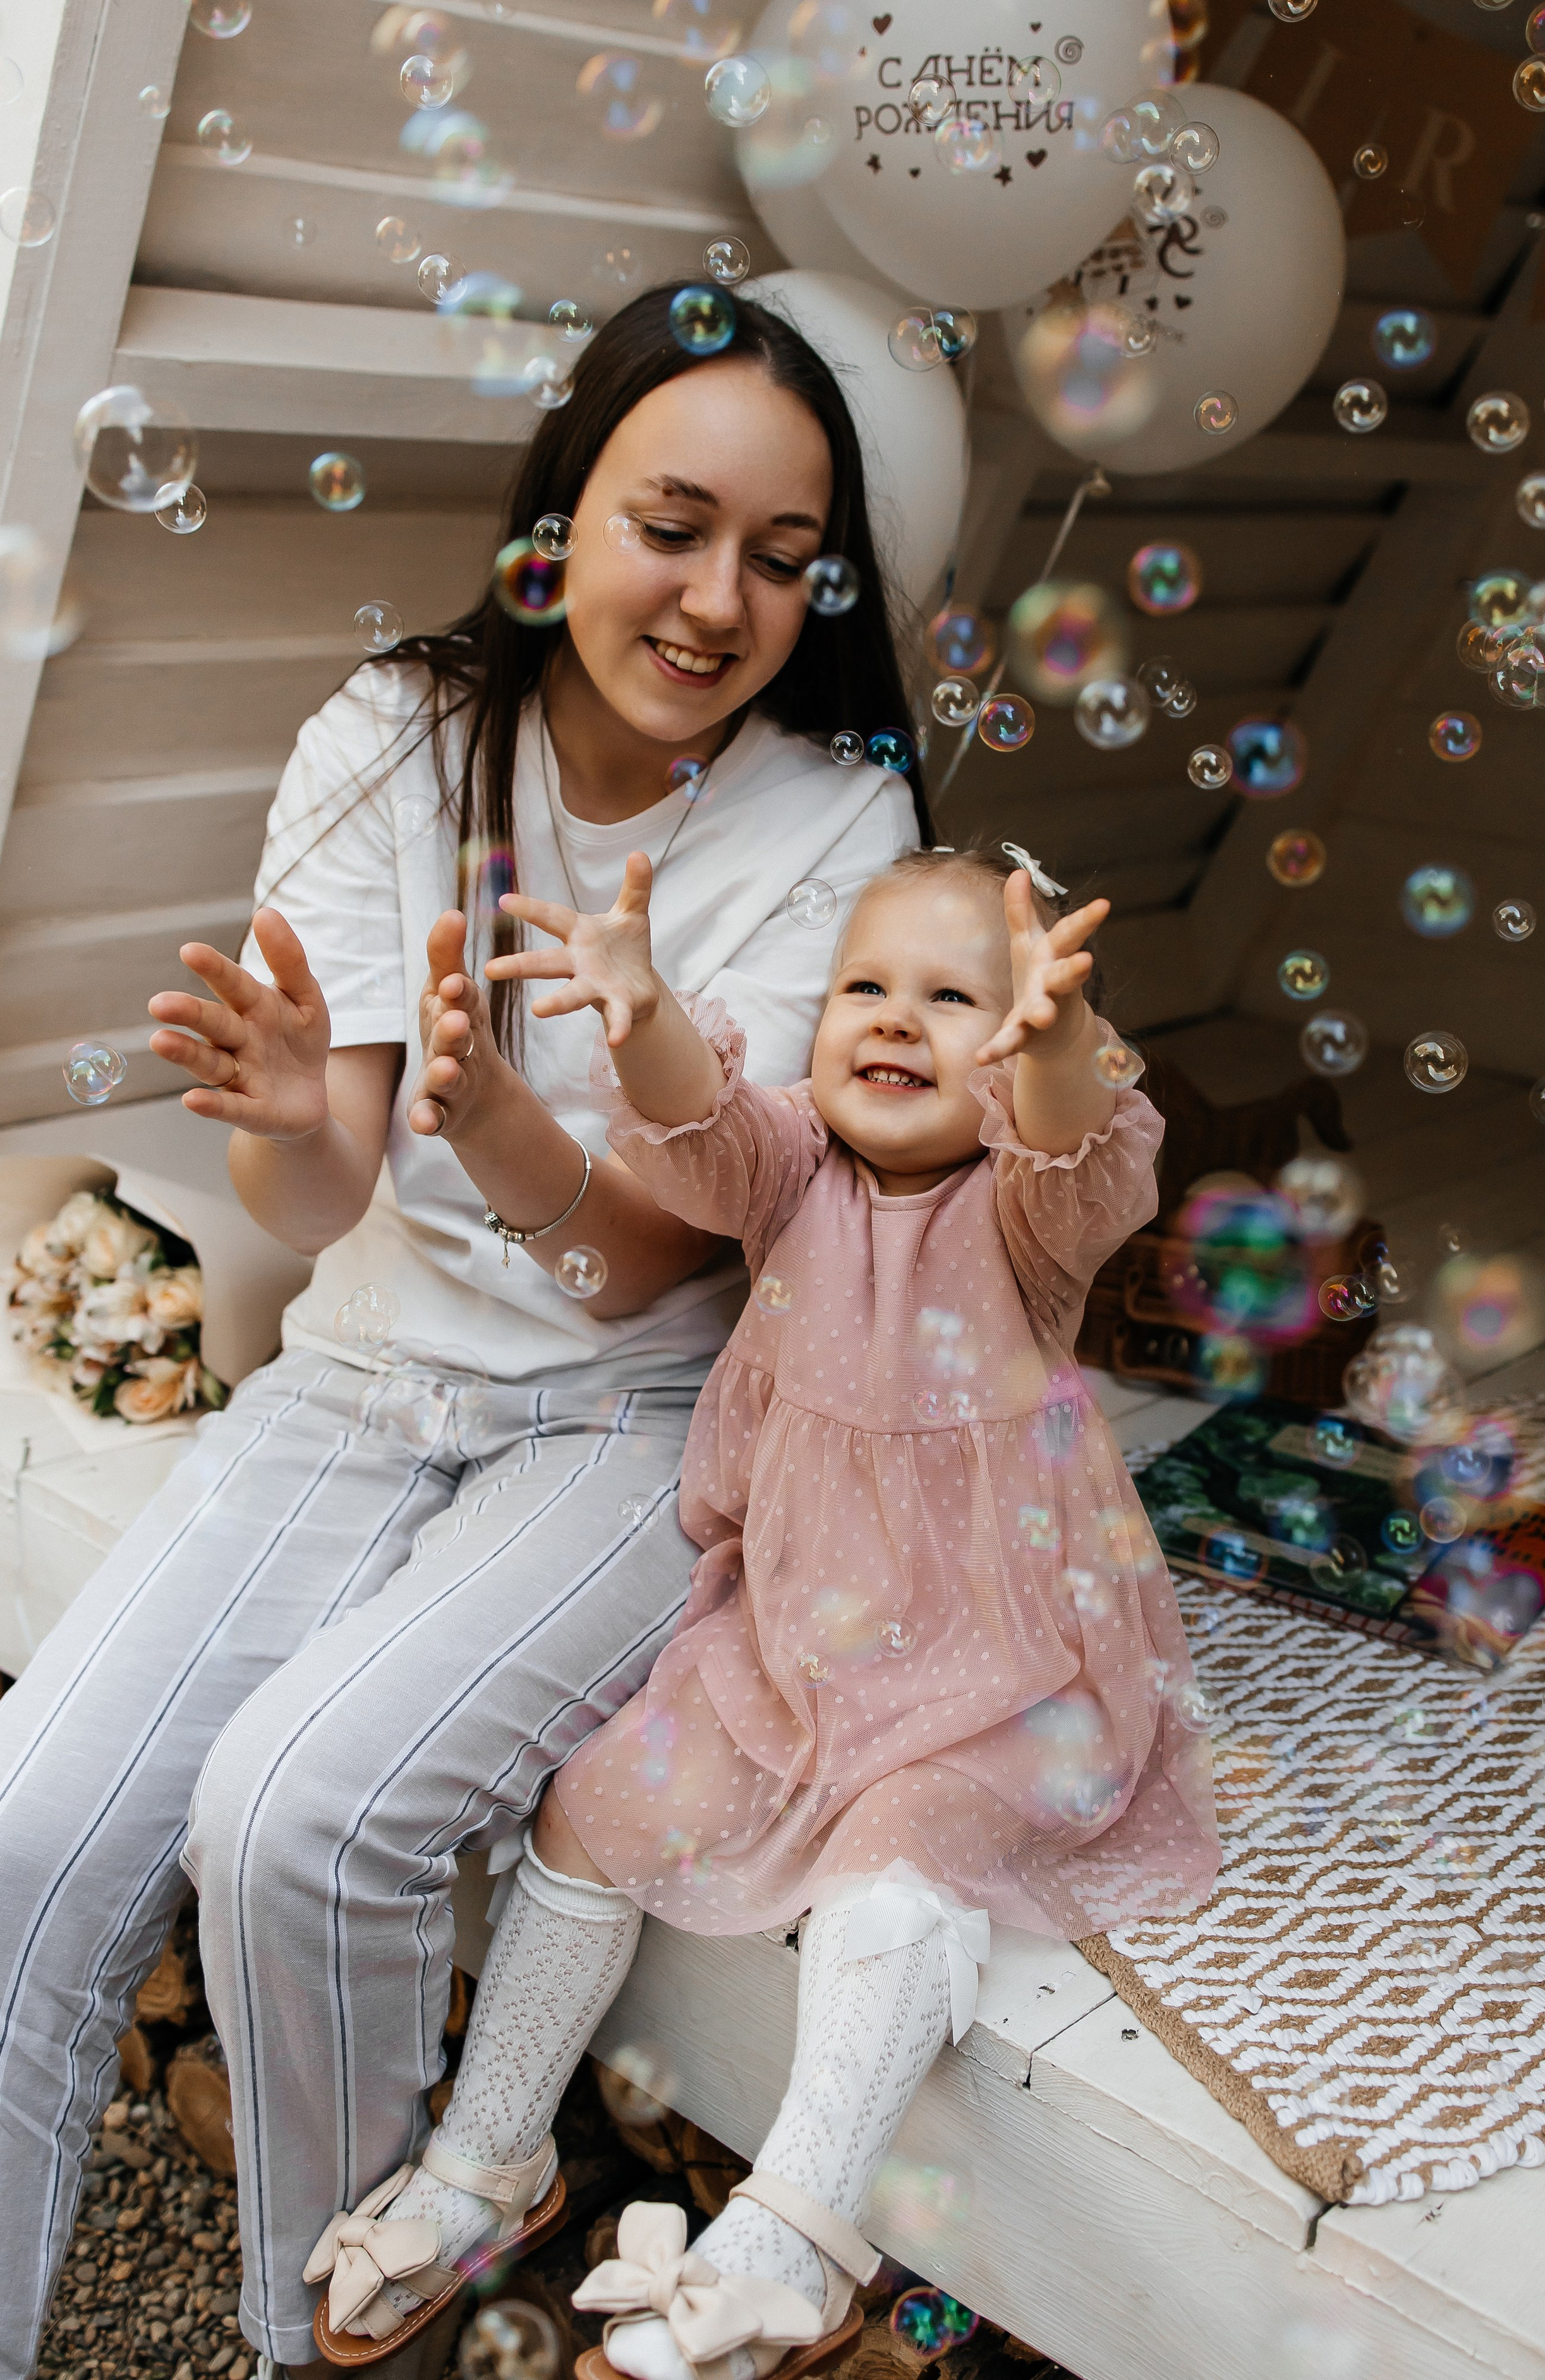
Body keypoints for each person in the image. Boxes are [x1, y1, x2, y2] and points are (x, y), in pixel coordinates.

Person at [0, 284, 927, 2380]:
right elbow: (324, 1191)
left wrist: (508, 1132)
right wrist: (276, 1114)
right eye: (669, 525)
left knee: (304, 1810)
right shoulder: (391, 739)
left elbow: (670, 1270)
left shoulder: (836, 831)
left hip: (631, 1420)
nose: (716, 600)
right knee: (29, 1833)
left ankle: (312, 2337)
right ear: (562, 509)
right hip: (359, 1375)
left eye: (781, 561)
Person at [305, 845, 1220, 2372]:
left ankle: (790, 2234)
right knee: (589, 1808)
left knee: (891, 1868)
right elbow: (686, 1118)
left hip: (998, 1674)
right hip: (796, 1645)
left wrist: (1055, 1049)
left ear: (1013, 1059)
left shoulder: (1023, 1220)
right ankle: (490, 2153)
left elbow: (1078, 1149)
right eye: (866, 986)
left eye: (955, 1000)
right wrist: (640, 1003)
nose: (894, 1020)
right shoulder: (787, 1166)